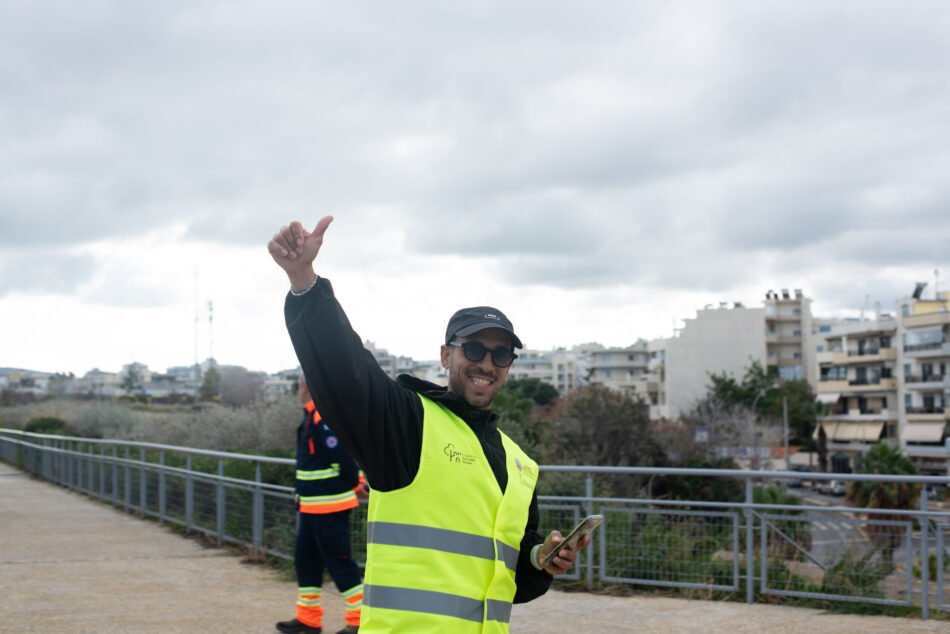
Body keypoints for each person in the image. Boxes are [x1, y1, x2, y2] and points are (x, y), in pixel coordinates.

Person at [268, 216, 590, 633]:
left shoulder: (521, 465)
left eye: (501, 355)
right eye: (473, 348)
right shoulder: (408, 422)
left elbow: (511, 582)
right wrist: (304, 279)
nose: (486, 364)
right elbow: (346, 368)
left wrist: (541, 559)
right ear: (445, 355)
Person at [275, 375, 368, 634]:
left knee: (340, 564)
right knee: (305, 562)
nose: (298, 388)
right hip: (310, 506)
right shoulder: (311, 415)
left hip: (329, 507)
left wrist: (354, 485)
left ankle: (359, 621)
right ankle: (308, 619)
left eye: (300, 384)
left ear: (307, 387)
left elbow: (345, 459)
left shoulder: (322, 417)